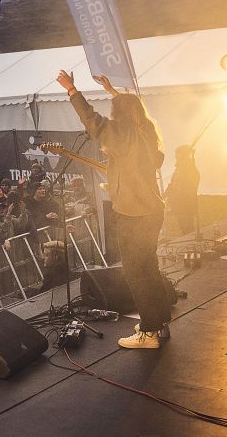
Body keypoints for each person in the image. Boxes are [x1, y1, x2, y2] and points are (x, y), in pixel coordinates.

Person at [58, 70, 171, 349]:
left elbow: (93, 121)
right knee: (150, 267)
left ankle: (149, 332)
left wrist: (73, 91)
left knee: (136, 273)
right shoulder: (147, 131)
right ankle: (160, 321)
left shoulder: (121, 136)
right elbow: (134, 112)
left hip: (133, 214)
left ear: (120, 114)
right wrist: (114, 92)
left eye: (114, 108)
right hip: (152, 210)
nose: (111, 111)